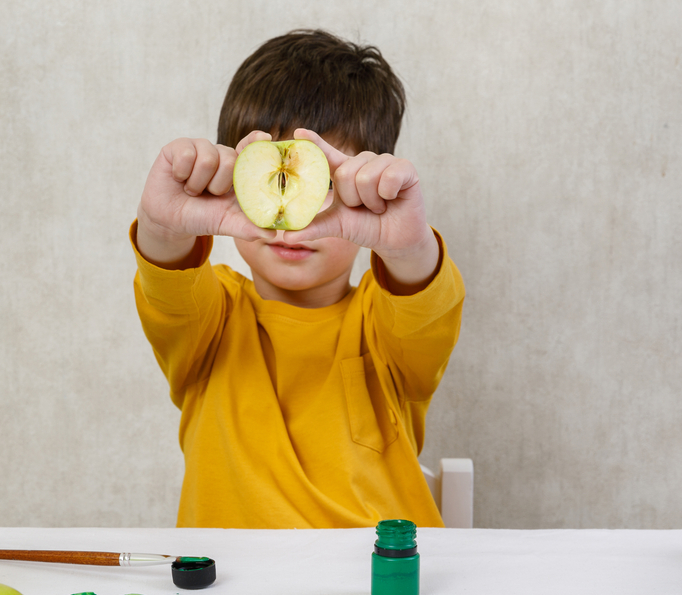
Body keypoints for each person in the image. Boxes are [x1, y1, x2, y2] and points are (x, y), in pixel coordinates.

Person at [131, 29, 464, 528]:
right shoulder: (212, 320)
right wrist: (162, 226)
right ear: (234, 178)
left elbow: (426, 303)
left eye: (322, 184)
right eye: (272, 180)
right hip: (233, 578)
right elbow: (168, 283)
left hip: (377, 573)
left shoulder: (384, 324)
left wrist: (408, 246)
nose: (291, 220)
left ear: (365, 191)